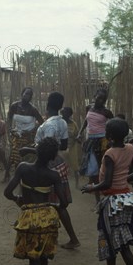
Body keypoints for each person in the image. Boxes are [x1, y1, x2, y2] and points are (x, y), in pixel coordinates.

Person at [81, 118, 133, 265]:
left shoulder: (110, 154)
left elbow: (106, 183)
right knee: (111, 239)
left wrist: (90, 188)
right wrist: (124, 180)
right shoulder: (131, 149)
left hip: (113, 203)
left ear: (108, 135)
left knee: (121, 244)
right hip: (126, 198)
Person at [4, 137, 67, 265]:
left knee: (33, 261)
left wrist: (18, 200)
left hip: (29, 218)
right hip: (47, 218)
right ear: (53, 156)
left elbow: (7, 192)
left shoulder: (23, 167)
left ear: (36, 150)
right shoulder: (53, 175)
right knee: (44, 258)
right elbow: (63, 202)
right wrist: (50, 206)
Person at [28, 92, 80, 249]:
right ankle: (71, 238)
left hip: (47, 167)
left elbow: (46, 150)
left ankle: (44, 239)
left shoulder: (48, 125)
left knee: (41, 202)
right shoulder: (63, 123)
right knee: (57, 204)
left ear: (47, 105)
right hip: (58, 164)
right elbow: (63, 146)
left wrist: (31, 148)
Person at [77, 88, 114, 202]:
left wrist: (110, 138)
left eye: (103, 99)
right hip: (91, 141)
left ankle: (107, 196)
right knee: (93, 171)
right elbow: (86, 121)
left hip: (103, 142)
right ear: (94, 96)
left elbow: (114, 124)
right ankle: (98, 201)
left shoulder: (106, 112)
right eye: (99, 98)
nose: (100, 101)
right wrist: (80, 133)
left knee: (102, 169)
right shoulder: (89, 107)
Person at [5, 87, 44, 182]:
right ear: (22, 93)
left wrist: (32, 130)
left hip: (28, 137)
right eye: (26, 93)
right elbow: (9, 118)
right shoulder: (14, 106)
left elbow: (41, 122)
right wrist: (10, 129)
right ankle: (12, 175)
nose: (27, 96)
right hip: (17, 135)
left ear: (31, 97)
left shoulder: (33, 109)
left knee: (25, 156)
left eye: (29, 95)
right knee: (15, 155)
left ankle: (20, 177)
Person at [61, 107, 81, 188]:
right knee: (61, 166)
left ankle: (77, 183)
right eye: (64, 112)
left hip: (72, 147)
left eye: (67, 112)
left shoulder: (73, 124)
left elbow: (77, 135)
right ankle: (62, 184)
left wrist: (78, 139)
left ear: (70, 114)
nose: (65, 114)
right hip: (61, 148)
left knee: (75, 166)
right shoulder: (59, 122)